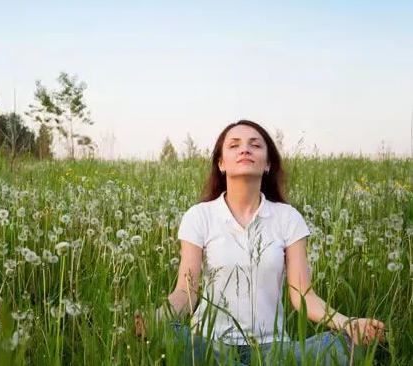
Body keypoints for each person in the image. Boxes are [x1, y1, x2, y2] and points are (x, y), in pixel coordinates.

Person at [134, 120, 386, 366]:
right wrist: (156, 319)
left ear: (267, 164)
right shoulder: (199, 216)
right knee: (169, 338)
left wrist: (347, 323)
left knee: (346, 347)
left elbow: (303, 296)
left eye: (255, 145)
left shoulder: (287, 217)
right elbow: (186, 292)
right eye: (234, 145)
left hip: (273, 350)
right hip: (209, 343)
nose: (245, 149)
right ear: (221, 163)